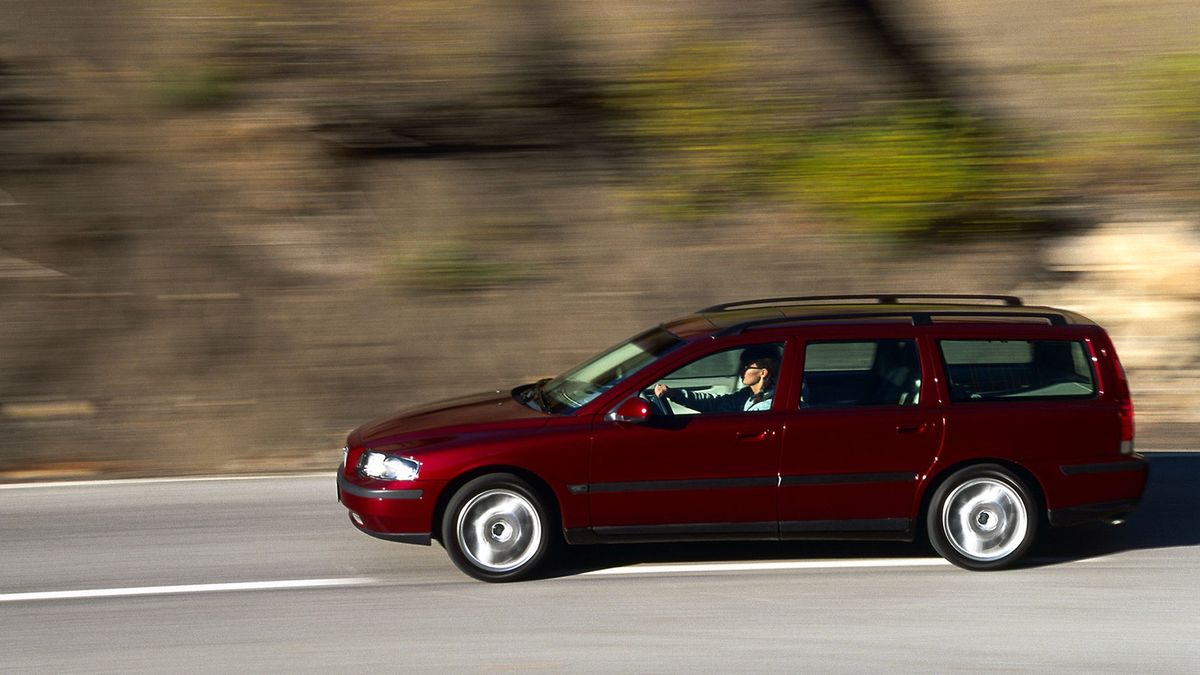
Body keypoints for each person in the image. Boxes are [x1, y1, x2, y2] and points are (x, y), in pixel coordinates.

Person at [653, 345, 780, 414]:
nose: (741, 371)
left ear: (763, 373)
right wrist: (675, 394)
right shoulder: (746, 396)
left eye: (746, 367)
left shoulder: (767, 406)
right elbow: (714, 403)